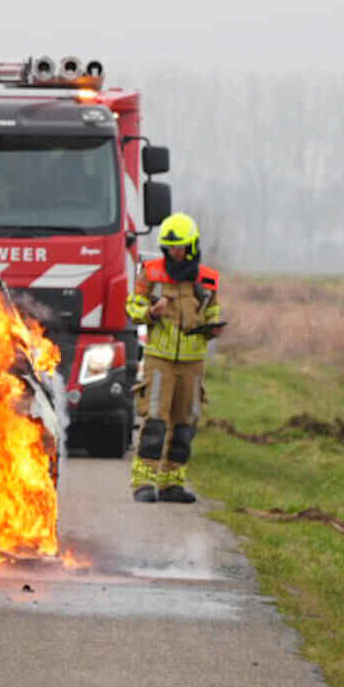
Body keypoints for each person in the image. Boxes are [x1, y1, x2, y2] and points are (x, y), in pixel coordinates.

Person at [125, 212, 225, 503]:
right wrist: (148, 313)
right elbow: (133, 305)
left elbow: (212, 310)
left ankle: (172, 484)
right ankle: (144, 483)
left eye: (179, 248)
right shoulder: (151, 273)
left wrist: (215, 326)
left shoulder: (207, 279)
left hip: (193, 363)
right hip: (160, 359)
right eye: (169, 248)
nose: (174, 253)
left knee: (185, 425)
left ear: (192, 247)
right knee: (155, 421)